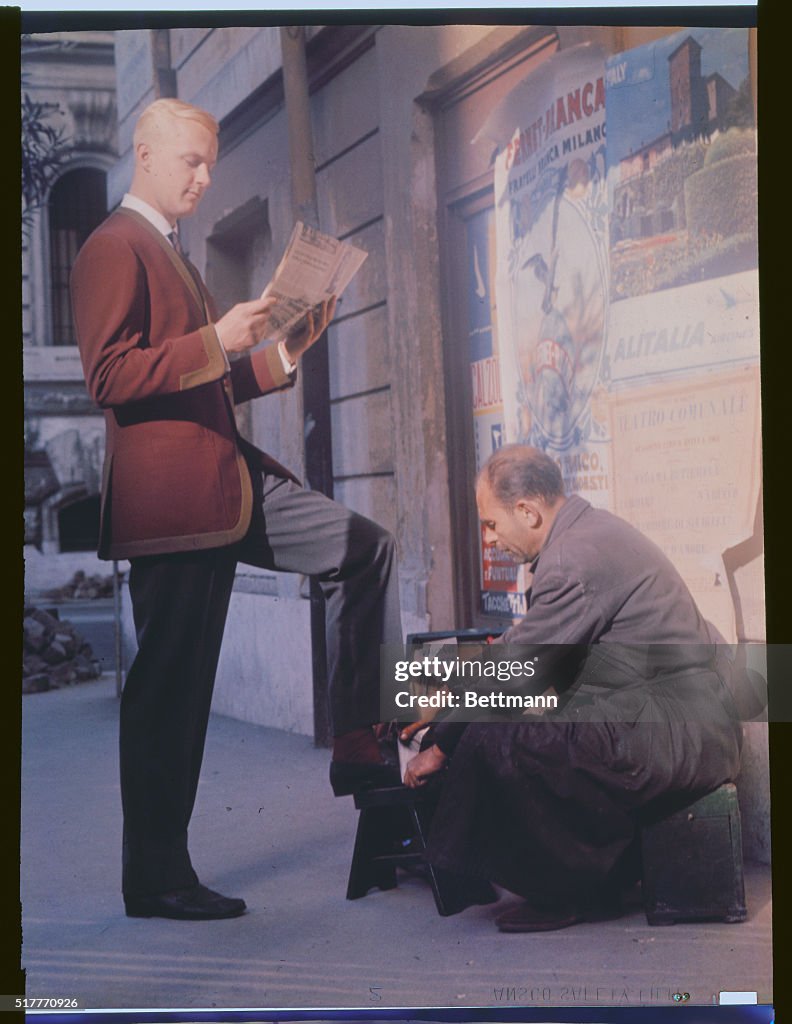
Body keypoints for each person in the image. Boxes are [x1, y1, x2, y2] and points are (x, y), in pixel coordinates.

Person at [70, 98, 401, 922]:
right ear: (145, 154)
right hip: (175, 508)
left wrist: (282, 348)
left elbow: (207, 384)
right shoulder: (113, 245)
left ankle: (360, 743)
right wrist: (218, 338)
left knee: (365, 547)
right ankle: (155, 878)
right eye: (192, 161)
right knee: (170, 695)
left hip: (230, 483)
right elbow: (109, 377)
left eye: (211, 162)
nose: (205, 177)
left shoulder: (170, 249)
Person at [403, 444, 742, 932]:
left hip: (684, 732)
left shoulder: (571, 558)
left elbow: (519, 668)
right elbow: (522, 645)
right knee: (514, 722)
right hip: (681, 719)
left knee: (503, 738)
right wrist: (444, 694)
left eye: (492, 524)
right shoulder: (586, 532)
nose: (490, 539)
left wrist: (438, 745)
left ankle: (572, 891)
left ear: (528, 511)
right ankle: (597, 875)